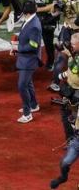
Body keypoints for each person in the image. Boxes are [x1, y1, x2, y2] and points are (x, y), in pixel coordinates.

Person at [50, 32, 79, 189]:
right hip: (77, 140)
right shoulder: (75, 58)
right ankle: (63, 177)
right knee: (64, 162)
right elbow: (74, 109)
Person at [22, 0, 60, 71]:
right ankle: (34, 59)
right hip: (36, 14)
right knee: (31, 38)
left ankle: (51, 60)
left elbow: (53, 6)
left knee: (48, 41)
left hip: (49, 16)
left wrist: (37, 9)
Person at [11, 0, 42, 123]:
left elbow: (33, 46)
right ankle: (34, 105)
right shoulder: (30, 19)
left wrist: (17, 48)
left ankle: (27, 113)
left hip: (29, 60)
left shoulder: (34, 25)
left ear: (26, 12)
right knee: (28, 84)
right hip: (25, 58)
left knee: (22, 85)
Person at [48, 0, 79, 92]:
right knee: (61, 57)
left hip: (78, 34)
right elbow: (53, 14)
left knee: (76, 59)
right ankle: (55, 82)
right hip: (66, 31)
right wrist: (55, 7)